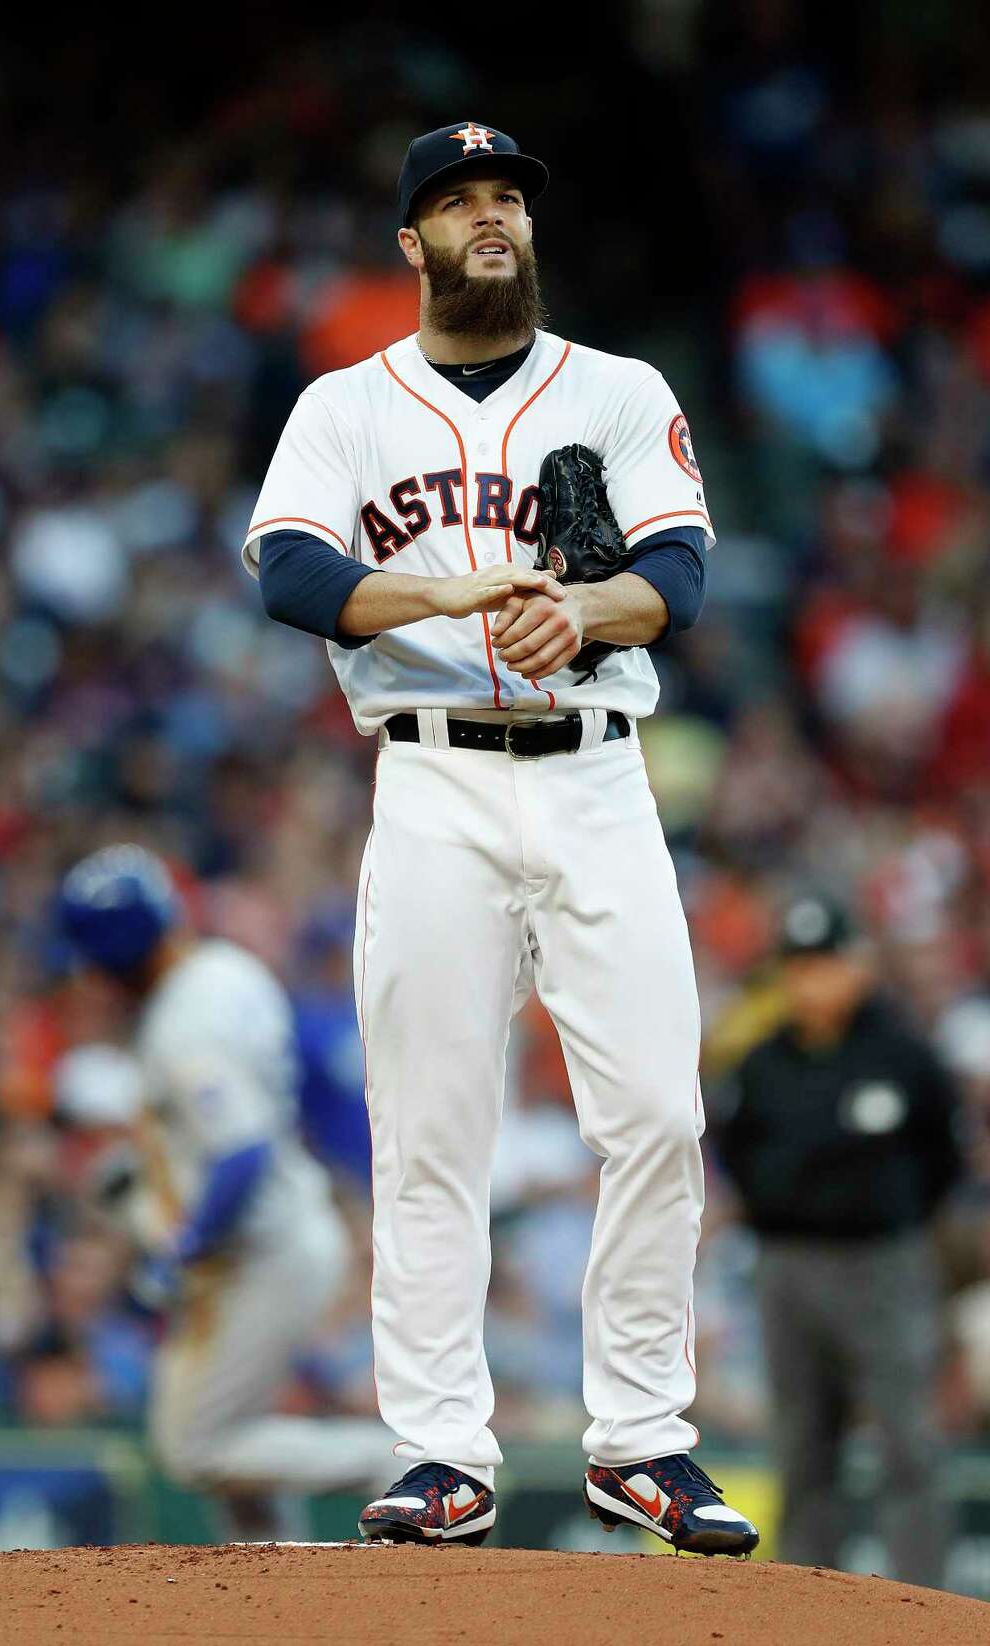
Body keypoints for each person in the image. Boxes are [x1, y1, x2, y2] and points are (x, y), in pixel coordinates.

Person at [244, 119, 758, 1555]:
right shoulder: (348, 407)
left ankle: (642, 1438)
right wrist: (459, 593)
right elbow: (290, 572)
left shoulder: (618, 389)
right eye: (457, 201)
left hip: (597, 774)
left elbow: (680, 572)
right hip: (432, 786)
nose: (488, 218)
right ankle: (440, 1453)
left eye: (506, 200)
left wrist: (578, 609)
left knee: (658, 1110)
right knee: (430, 1131)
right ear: (410, 243)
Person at [56, 845, 391, 1532]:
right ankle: (272, 1599)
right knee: (234, 1442)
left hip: (259, 1253)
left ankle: (398, 1468)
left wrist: (179, 1251)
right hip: (284, 1231)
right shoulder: (225, 967)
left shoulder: (186, 1024)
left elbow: (240, 1154)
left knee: (197, 1447)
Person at [714, 895, 963, 1586]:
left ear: (858, 965)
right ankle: (807, 1601)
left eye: (825, 964)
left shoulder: (905, 1057)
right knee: (801, 1447)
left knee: (907, 1443)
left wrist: (893, 1215)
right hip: (787, 1266)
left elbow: (944, 1158)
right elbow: (734, 1154)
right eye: (799, 967)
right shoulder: (762, 1064)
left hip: (883, 1263)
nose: (812, 981)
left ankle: (925, 1602)